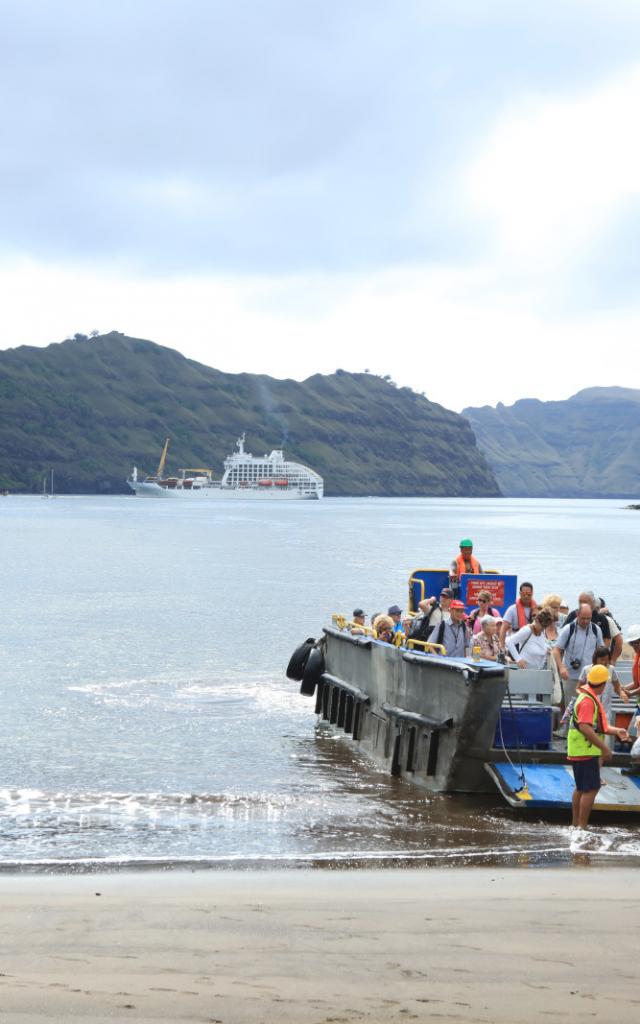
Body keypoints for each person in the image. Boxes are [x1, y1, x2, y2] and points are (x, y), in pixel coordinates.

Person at [567, 665, 629, 830]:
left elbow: (598, 726)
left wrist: (617, 731)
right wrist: (604, 748)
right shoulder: (588, 701)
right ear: (602, 684)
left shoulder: (585, 695)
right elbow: (585, 727)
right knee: (591, 788)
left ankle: (575, 825)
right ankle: (582, 827)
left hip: (579, 750)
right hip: (586, 751)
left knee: (581, 787)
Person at [552, 603, 604, 706]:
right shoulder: (568, 629)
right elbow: (556, 650)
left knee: (589, 707)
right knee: (571, 707)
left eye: (588, 619)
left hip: (590, 677)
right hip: (571, 676)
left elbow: (601, 651)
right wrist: (561, 667)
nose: (586, 621)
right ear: (577, 614)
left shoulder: (596, 630)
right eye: (583, 618)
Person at [578, 645, 628, 744]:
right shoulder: (586, 670)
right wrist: (586, 696)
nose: (605, 663)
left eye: (607, 660)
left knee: (605, 739)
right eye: (602, 660)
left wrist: (622, 694)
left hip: (605, 711)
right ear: (595, 659)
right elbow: (579, 688)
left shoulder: (611, 670)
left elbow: (617, 686)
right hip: (589, 711)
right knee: (590, 739)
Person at [499, 582, 536, 647]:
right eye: (524, 594)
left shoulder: (537, 609)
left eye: (529, 594)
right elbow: (503, 628)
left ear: (532, 593)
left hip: (532, 641)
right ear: (520, 593)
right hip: (516, 641)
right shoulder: (512, 609)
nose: (526, 596)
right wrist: (502, 645)